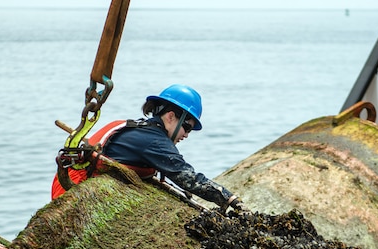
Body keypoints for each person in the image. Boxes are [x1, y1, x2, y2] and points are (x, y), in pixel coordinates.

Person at [52, 84, 242, 213]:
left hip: (71, 183)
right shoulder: (153, 141)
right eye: (188, 127)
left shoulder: (139, 128)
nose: (187, 134)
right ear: (170, 117)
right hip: (75, 191)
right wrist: (229, 199)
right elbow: (189, 179)